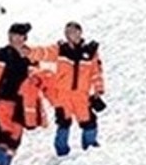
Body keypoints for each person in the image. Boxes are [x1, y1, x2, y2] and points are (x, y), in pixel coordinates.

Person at [0, 22, 52, 165]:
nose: (13, 39)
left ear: (24, 38)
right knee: (3, 133)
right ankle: (0, 162)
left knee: (15, 138)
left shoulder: (32, 57)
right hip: (2, 101)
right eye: (11, 35)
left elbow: (39, 81)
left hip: (22, 105)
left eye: (17, 36)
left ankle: (5, 161)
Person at [26, 21, 105, 156]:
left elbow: (96, 72)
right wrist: (29, 51)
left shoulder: (90, 52)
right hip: (62, 94)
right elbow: (44, 52)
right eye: (67, 32)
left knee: (89, 122)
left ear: (80, 32)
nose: (69, 35)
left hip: (81, 95)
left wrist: (98, 89)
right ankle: (62, 153)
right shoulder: (60, 49)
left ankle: (90, 149)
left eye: (72, 31)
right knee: (63, 122)